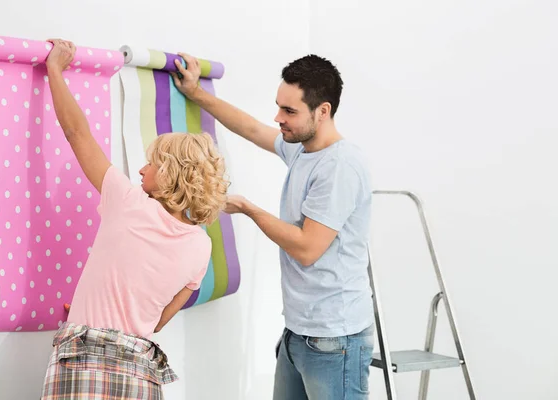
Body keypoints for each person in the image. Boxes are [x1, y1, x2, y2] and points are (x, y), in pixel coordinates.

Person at [172, 53, 375, 399]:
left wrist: (249, 209)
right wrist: (197, 94)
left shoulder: (339, 167)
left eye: (290, 112)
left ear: (322, 111)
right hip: (299, 332)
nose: (278, 118)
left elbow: (307, 248)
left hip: (333, 339)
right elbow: (251, 128)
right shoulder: (303, 149)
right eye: (279, 107)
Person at [39, 39, 229, 399]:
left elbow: (76, 133)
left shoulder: (127, 200)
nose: (141, 169)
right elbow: (153, 320)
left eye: (152, 163)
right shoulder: (201, 247)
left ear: (172, 174)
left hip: (83, 362)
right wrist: (96, 303)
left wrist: (54, 69)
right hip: (140, 375)